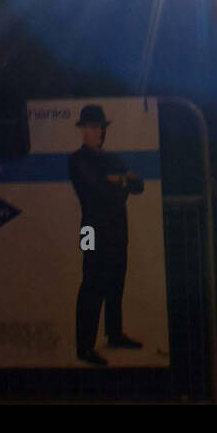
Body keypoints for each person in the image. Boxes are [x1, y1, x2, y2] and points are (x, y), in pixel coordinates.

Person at [68, 104, 145, 365]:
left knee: (115, 283)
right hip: (94, 230)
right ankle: (84, 346)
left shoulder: (112, 159)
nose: (98, 132)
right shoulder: (77, 160)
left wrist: (118, 182)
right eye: (92, 127)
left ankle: (114, 333)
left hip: (116, 229)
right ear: (83, 130)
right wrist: (120, 182)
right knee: (92, 285)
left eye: (100, 127)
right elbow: (96, 190)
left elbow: (138, 185)